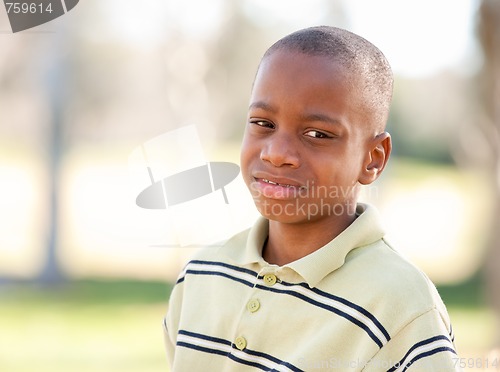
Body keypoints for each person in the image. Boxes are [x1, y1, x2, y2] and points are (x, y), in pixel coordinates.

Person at [163, 26, 460, 371]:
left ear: (373, 158)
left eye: (317, 134)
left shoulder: (403, 306)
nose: (276, 154)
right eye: (263, 123)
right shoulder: (201, 275)